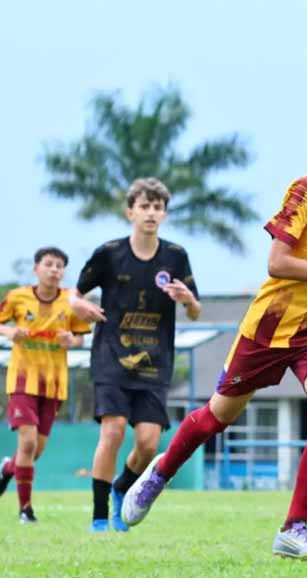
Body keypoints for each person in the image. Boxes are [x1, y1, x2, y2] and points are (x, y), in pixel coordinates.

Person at [121, 101, 307, 562]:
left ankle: (295, 527)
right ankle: (159, 473)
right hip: (270, 327)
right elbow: (277, 262)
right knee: (216, 418)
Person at [69, 178, 201, 533]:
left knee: (147, 444)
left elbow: (196, 311)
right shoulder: (109, 253)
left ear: (164, 215)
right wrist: (81, 307)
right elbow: (74, 295)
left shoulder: (175, 256)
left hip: (154, 363)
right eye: (145, 206)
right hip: (111, 358)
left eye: (158, 207)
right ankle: (99, 516)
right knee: (111, 433)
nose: (151, 213)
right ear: (131, 212)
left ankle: (122, 487)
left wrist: (187, 299)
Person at [0, 247, 90, 523]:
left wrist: (71, 341)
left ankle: (6, 469)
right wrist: (12, 331)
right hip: (22, 381)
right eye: (49, 264)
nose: (54, 270)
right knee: (26, 443)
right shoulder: (17, 297)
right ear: (36, 268)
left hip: (54, 384)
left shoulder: (71, 301)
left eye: (59, 266)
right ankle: (25, 510)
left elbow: (81, 337)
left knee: (34, 452)